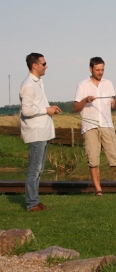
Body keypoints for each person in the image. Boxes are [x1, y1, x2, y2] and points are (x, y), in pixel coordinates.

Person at [73, 57, 116, 196]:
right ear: (91, 69)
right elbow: (75, 107)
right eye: (97, 70)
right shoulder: (83, 85)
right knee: (93, 160)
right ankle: (98, 190)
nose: (100, 72)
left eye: (102, 70)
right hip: (90, 127)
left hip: (107, 125)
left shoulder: (108, 84)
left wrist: (115, 101)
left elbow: (112, 107)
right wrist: (85, 100)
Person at [20, 53, 62, 212]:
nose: (46, 66)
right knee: (34, 169)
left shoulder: (38, 82)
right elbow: (26, 110)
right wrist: (46, 109)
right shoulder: (29, 84)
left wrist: (50, 109)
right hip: (36, 132)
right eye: (44, 64)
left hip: (43, 131)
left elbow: (37, 106)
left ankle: (35, 200)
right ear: (35, 65)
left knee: (39, 169)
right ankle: (32, 203)